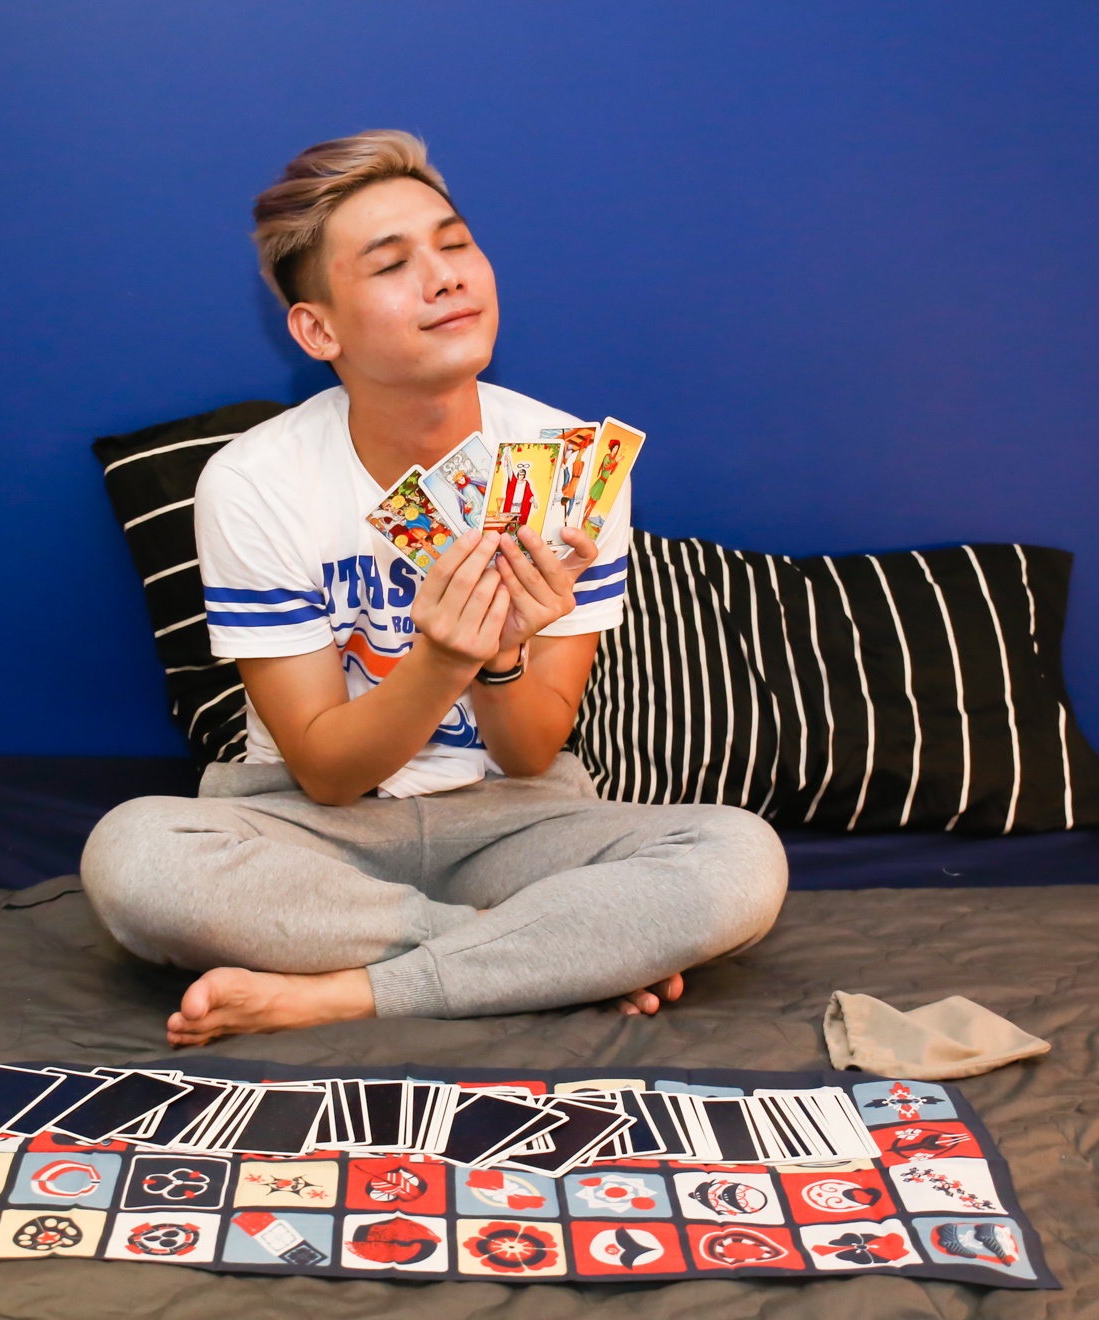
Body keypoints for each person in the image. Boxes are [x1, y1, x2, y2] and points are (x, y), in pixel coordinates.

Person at [81, 131, 787, 1046]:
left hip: (514, 825)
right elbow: (328, 773)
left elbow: (530, 755)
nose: (446, 276)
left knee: (740, 858)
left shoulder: (569, 466)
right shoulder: (255, 481)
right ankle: (532, 956)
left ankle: (346, 991)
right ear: (319, 330)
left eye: (455, 244)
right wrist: (444, 657)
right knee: (135, 858)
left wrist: (500, 661)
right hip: (312, 830)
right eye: (392, 264)